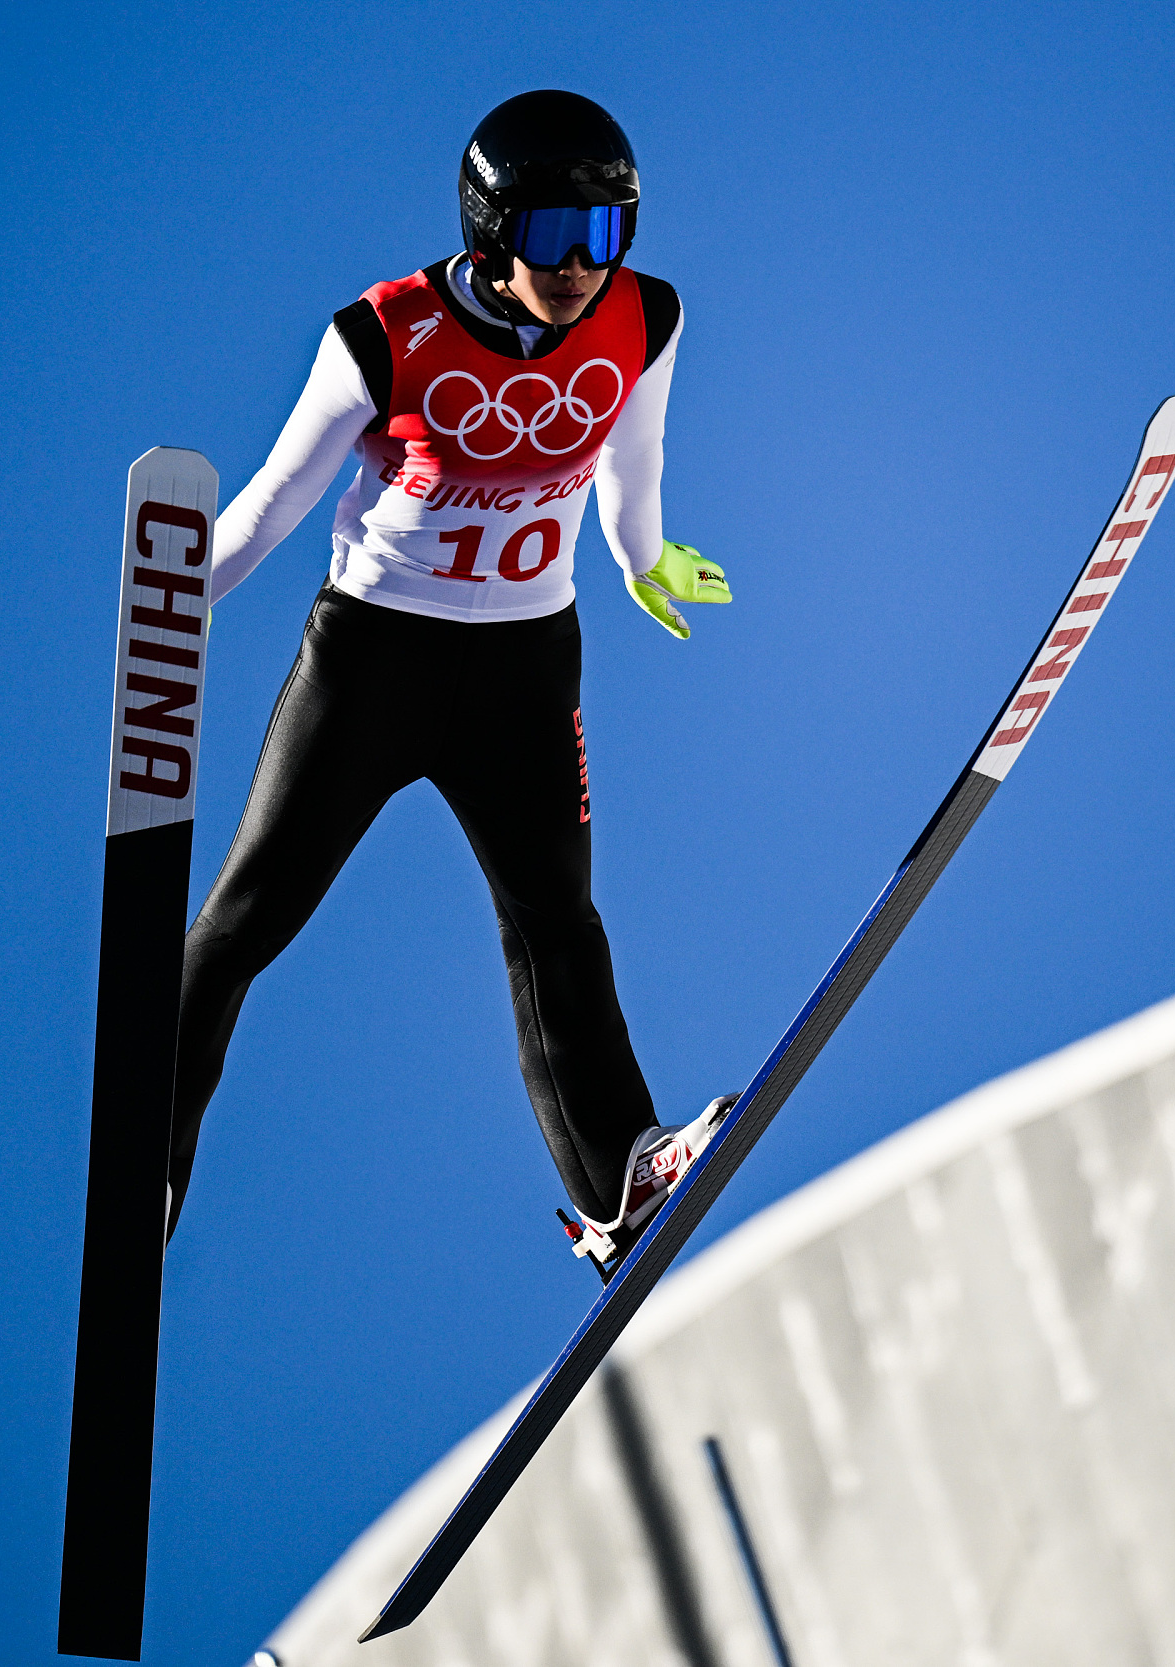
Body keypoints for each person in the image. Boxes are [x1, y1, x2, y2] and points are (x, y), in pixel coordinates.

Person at [166, 89, 733, 1275]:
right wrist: (171, 599)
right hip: (375, 662)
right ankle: (149, 1167)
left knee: (558, 928)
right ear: (489, 229)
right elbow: (276, 497)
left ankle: (617, 1183)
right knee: (241, 926)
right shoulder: (385, 333)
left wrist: (644, 556)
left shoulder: (645, 314)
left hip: (528, 667)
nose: (578, 267)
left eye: (604, 235)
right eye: (549, 238)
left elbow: (635, 448)